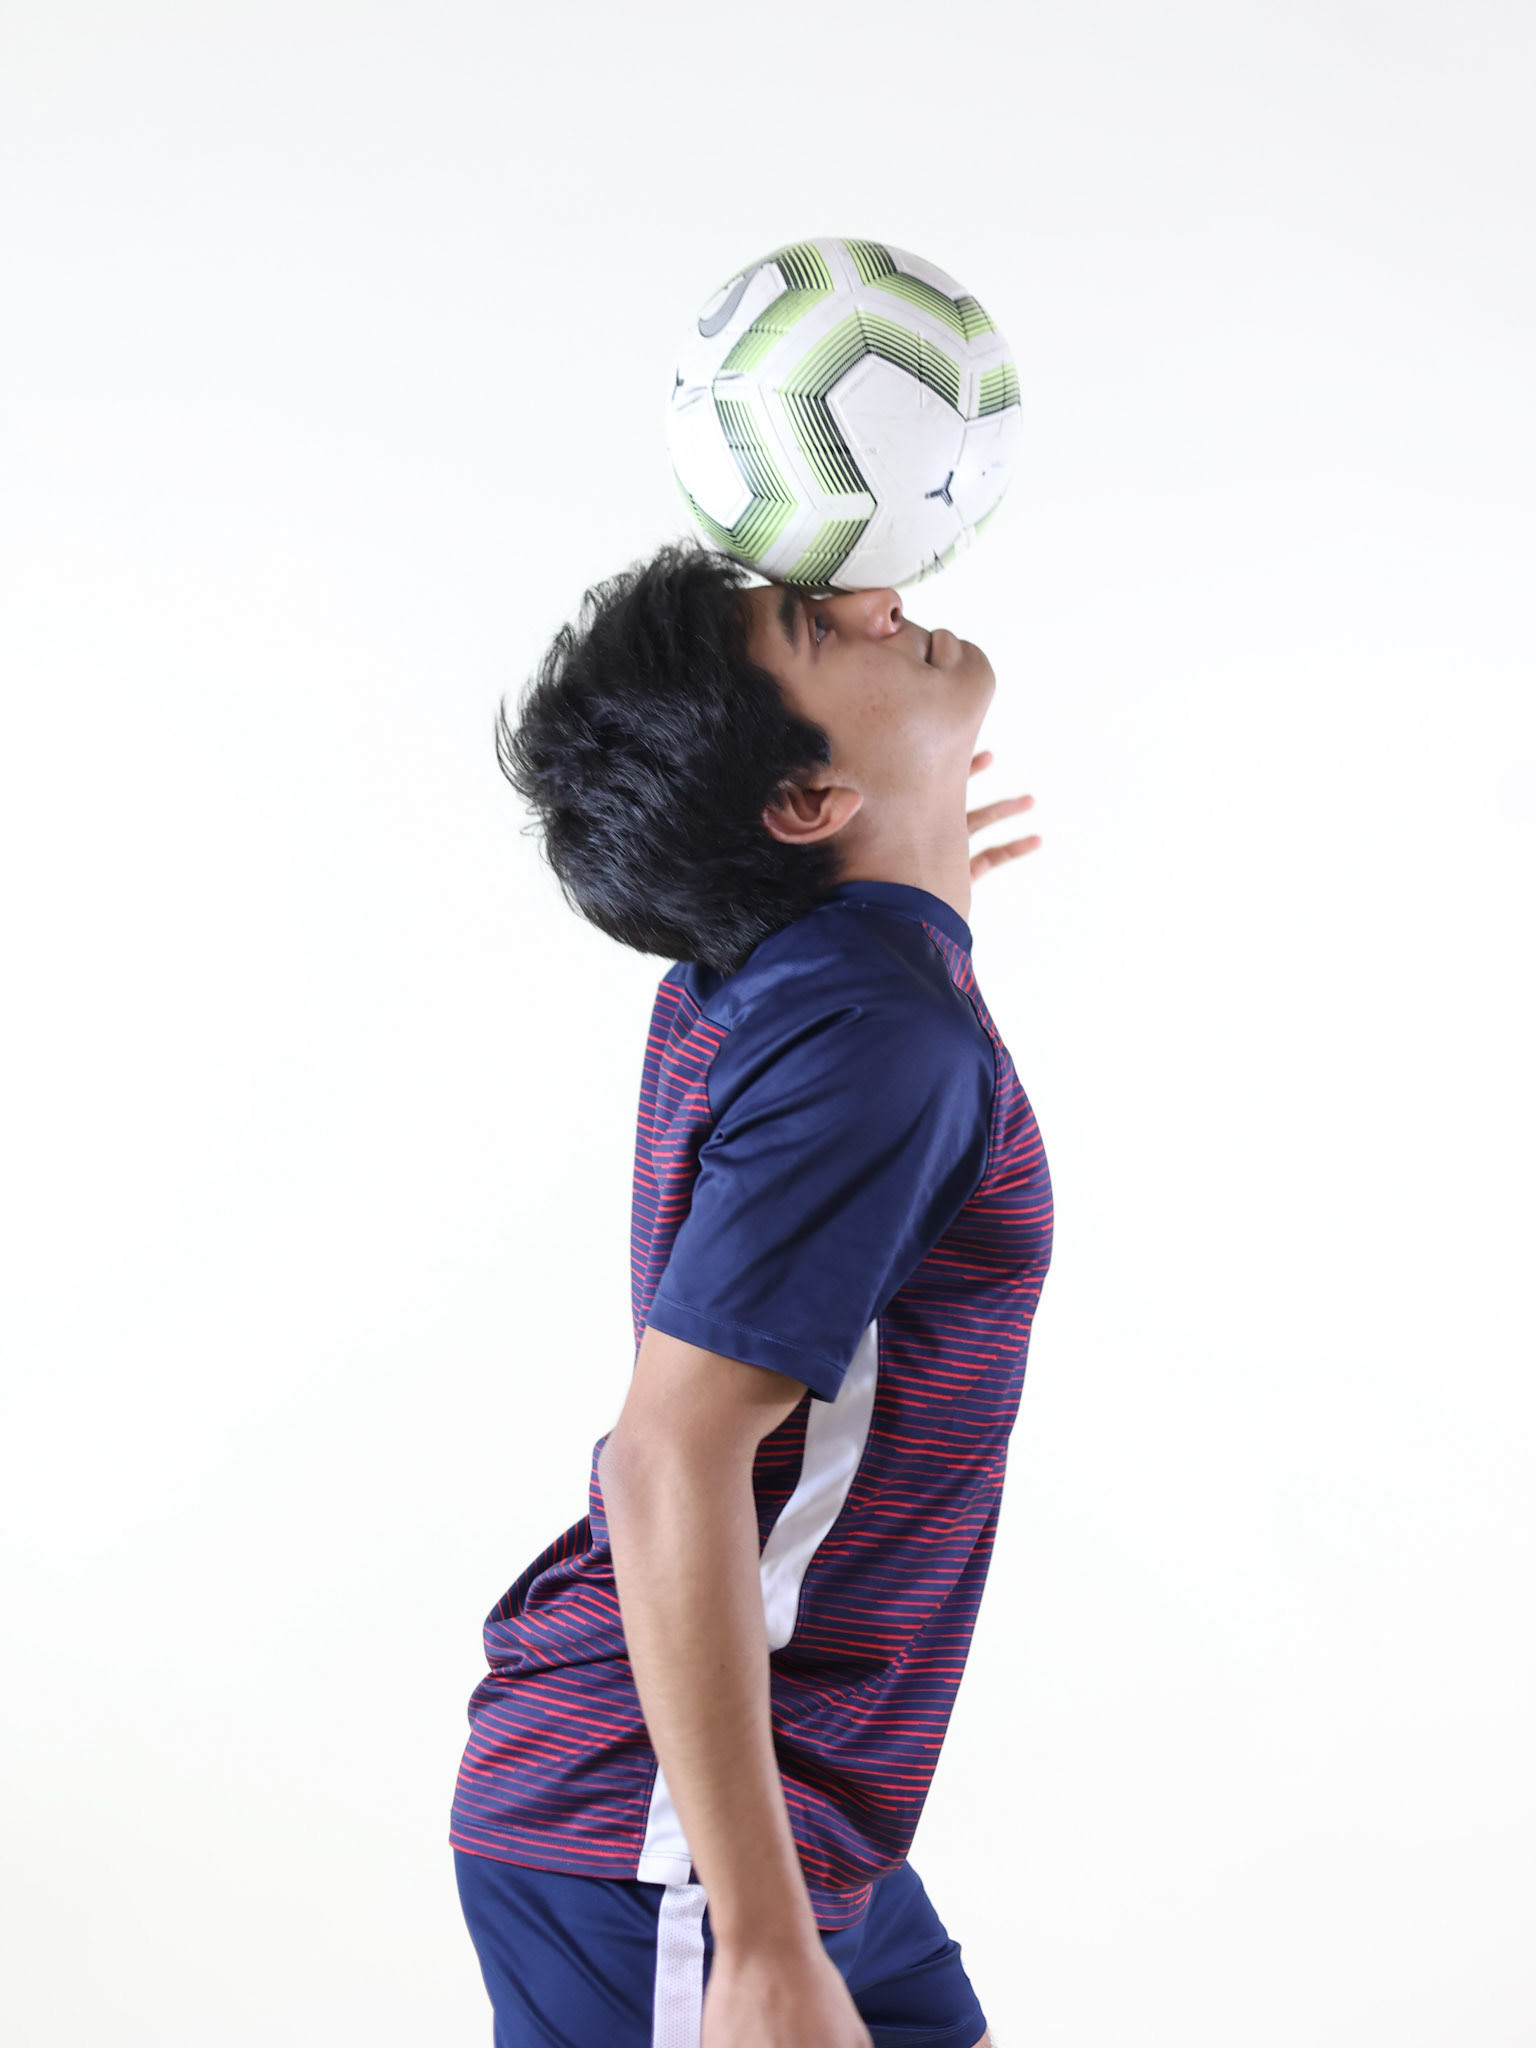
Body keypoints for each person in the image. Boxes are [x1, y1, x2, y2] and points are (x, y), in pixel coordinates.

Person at [449, 538, 1054, 2048]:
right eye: (812, 620)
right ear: (803, 803)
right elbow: (671, 1451)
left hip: (788, 1811)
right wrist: (764, 1945)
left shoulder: (821, 976)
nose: (873, 592)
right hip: (681, 1840)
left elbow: (806, 957)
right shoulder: (874, 1033)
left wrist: (908, 863)